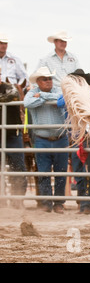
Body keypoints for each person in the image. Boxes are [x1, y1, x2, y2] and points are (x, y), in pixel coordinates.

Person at [24, 67, 69, 213]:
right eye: (45, 79)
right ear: (38, 81)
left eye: (50, 78)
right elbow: (27, 103)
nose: (49, 81)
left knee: (61, 172)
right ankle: (46, 202)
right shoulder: (31, 92)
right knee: (43, 172)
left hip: (60, 138)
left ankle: (58, 203)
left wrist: (41, 96)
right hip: (42, 138)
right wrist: (47, 97)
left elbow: (62, 99)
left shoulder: (56, 90)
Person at [57, 69, 90, 214]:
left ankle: (88, 202)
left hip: (87, 134)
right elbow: (59, 102)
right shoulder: (69, 94)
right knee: (79, 170)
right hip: (76, 135)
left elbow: (61, 102)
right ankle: (83, 202)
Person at [0, 69, 28, 209]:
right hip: (8, 133)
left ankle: (18, 199)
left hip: (12, 133)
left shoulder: (9, 87)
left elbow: (12, 96)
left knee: (18, 167)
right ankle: (2, 200)